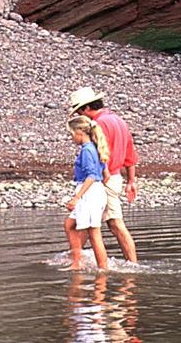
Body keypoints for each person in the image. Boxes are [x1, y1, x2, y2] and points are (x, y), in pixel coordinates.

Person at [69, 87, 139, 263]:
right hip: (116, 177)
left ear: (86, 108)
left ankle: (129, 265)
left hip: (105, 179)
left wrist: (103, 175)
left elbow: (99, 155)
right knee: (88, 223)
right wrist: (131, 181)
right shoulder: (118, 120)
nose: (79, 115)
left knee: (111, 224)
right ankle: (75, 257)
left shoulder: (98, 125)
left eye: (78, 111)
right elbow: (130, 153)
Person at [64, 116, 110, 271]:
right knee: (70, 225)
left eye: (72, 134)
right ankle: (76, 262)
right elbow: (106, 175)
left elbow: (91, 175)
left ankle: (103, 269)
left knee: (94, 233)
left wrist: (77, 198)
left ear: (80, 132)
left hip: (89, 193)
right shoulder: (94, 147)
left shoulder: (87, 150)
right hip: (93, 191)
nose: (71, 138)